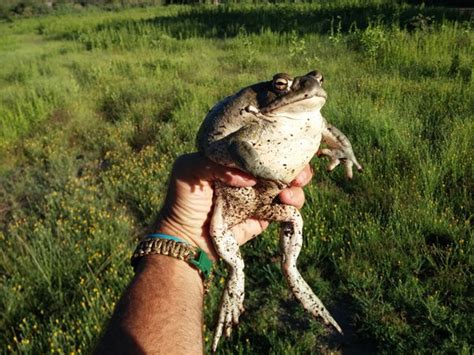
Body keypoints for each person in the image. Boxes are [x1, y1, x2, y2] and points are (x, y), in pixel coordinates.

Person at [94, 153, 313, 354]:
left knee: (292, 214)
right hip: (226, 205)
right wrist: (184, 234)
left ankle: (290, 271)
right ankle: (246, 274)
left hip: (256, 201)